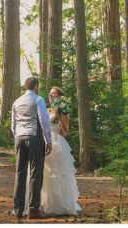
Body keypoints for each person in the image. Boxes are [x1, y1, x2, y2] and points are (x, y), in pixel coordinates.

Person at [11, 77, 52, 220]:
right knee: (35, 174)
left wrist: (18, 137)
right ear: (35, 86)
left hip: (19, 138)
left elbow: (13, 124)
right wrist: (48, 140)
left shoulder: (16, 101)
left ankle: (18, 209)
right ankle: (33, 210)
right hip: (34, 138)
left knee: (20, 173)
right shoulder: (38, 100)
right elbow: (44, 120)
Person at [39, 87, 81, 216]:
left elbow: (65, 129)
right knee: (45, 172)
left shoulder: (63, 108)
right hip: (45, 140)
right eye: (50, 93)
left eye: (54, 93)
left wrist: (59, 115)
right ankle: (45, 202)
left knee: (59, 172)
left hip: (57, 141)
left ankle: (60, 204)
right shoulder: (46, 109)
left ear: (59, 95)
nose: (51, 95)